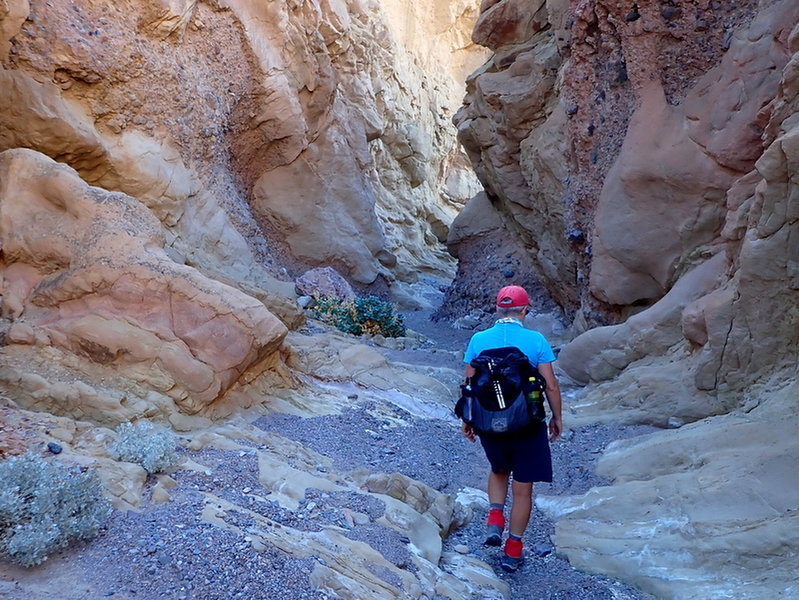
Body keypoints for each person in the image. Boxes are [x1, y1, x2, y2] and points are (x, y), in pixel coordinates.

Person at [461, 285, 563, 572]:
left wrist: (467, 420)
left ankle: (495, 518)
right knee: (522, 490)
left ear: (497, 309)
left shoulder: (478, 339)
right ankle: (513, 550)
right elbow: (551, 385)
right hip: (527, 423)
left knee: (498, 470)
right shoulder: (536, 340)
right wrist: (556, 417)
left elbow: (469, 384)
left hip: (489, 422)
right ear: (524, 310)